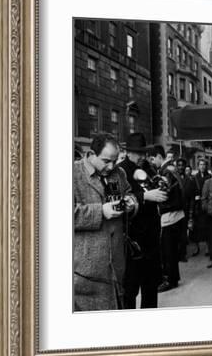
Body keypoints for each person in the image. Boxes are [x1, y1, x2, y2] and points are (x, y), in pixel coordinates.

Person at [73, 134, 137, 311]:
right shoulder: (72, 174)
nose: (111, 167)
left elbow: (129, 194)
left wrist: (131, 203)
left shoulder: (119, 173)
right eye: (106, 161)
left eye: (115, 161)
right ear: (91, 154)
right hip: (86, 273)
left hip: (116, 266)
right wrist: (101, 211)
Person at [117, 133, 167, 309]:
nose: (143, 157)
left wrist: (161, 183)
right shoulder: (120, 170)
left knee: (151, 286)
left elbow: (156, 184)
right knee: (130, 290)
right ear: (129, 152)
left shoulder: (147, 167)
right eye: (139, 153)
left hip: (151, 238)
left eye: (144, 153)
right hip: (134, 240)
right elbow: (119, 199)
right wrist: (145, 196)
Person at [149, 145, 186, 292]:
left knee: (167, 251)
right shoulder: (172, 169)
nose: (152, 162)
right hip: (178, 215)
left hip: (169, 217)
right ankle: (174, 278)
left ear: (159, 156)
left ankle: (170, 280)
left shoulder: (164, 172)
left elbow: (163, 197)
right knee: (172, 250)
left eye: (153, 159)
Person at [176, 158, 196, 262]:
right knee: (176, 233)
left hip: (185, 210)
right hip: (175, 210)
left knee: (183, 233)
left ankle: (182, 254)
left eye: (182, 165)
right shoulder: (173, 179)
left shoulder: (190, 181)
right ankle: (176, 253)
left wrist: (191, 213)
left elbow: (192, 198)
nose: (180, 167)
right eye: (178, 165)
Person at [191, 158, 211, 256]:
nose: (202, 166)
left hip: (207, 204)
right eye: (200, 164)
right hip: (197, 205)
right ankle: (196, 247)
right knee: (196, 227)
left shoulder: (209, 177)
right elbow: (192, 190)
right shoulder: (194, 178)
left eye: (204, 164)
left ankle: (208, 247)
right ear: (198, 166)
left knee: (208, 226)